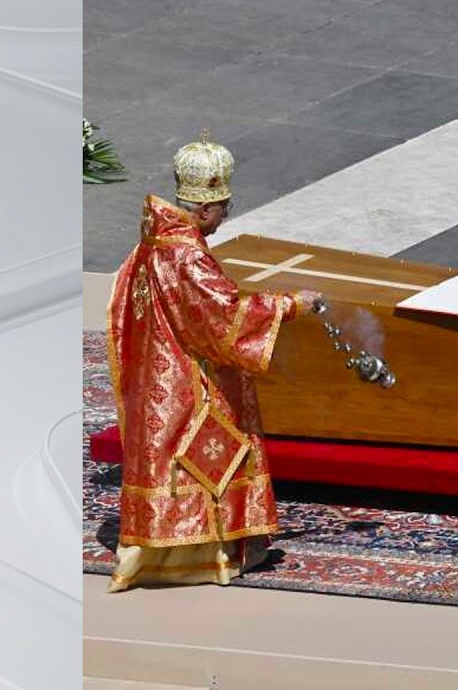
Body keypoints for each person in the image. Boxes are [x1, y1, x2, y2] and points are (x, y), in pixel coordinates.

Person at [106, 131, 319, 592]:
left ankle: (163, 547)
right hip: (188, 376)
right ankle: (208, 555)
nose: (226, 214)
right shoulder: (187, 255)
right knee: (214, 449)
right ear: (204, 209)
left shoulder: (155, 239)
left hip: (157, 368)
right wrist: (290, 305)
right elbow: (224, 316)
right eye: (224, 207)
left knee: (175, 456)